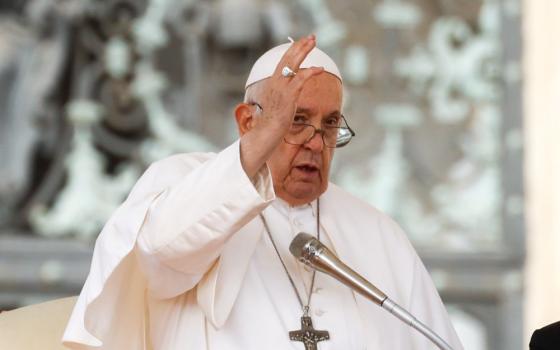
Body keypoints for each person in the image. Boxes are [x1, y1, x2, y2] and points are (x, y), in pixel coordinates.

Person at [62, 35, 463, 349]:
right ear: (246, 122)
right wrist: (267, 134)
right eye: (295, 120)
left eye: (329, 124)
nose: (315, 143)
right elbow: (161, 256)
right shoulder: (183, 180)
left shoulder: (377, 232)